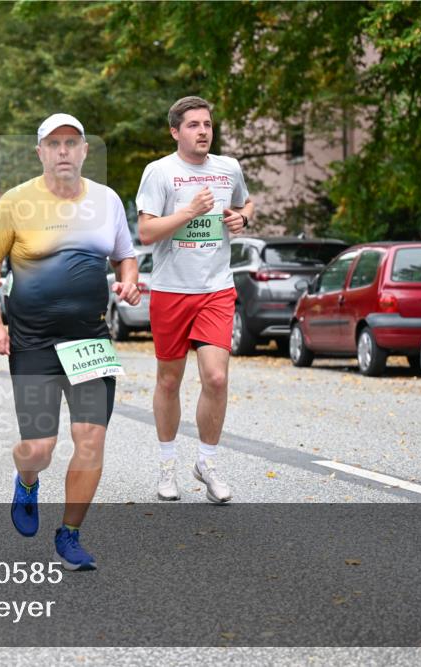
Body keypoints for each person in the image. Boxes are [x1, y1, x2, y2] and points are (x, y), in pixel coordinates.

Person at [0, 113, 139, 571]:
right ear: (40, 152)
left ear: (84, 150)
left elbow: (125, 256)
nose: (63, 151)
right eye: (53, 143)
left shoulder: (106, 201)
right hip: (34, 343)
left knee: (90, 439)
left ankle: (69, 535)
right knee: (39, 448)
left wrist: (129, 280)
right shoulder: (15, 202)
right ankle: (26, 479)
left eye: (71, 143)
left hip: (90, 341)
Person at [135, 96, 254, 504]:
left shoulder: (228, 168)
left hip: (216, 289)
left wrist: (243, 217)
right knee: (169, 381)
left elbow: (246, 202)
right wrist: (189, 212)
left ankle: (207, 462)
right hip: (171, 290)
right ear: (175, 132)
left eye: (207, 124)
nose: (203, 131)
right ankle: (167, 466)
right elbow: (146, 233)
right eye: (193, 125)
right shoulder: (160, 172)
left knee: (216, 378)